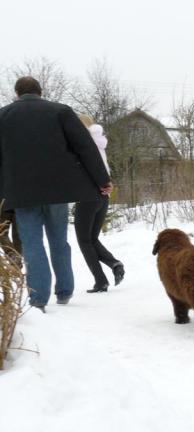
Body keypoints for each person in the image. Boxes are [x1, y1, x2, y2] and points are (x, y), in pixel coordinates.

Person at [0, 76, 111, 312]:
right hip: (58, 191)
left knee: (32, 244)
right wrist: (103, 180)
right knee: (59, 241)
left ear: (17, 94)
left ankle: (39, 299)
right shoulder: (60, 112)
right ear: (40, 92)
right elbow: (85, 147)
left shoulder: (3, 115)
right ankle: (65, 291)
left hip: (22, 193)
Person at [74, 113, 124, 292]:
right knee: (92, 238)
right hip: (104, 196)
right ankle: (115, 264)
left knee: (84, 240)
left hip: (88, 195)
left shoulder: (82, 144)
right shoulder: (99, 143)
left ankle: (101, 280)